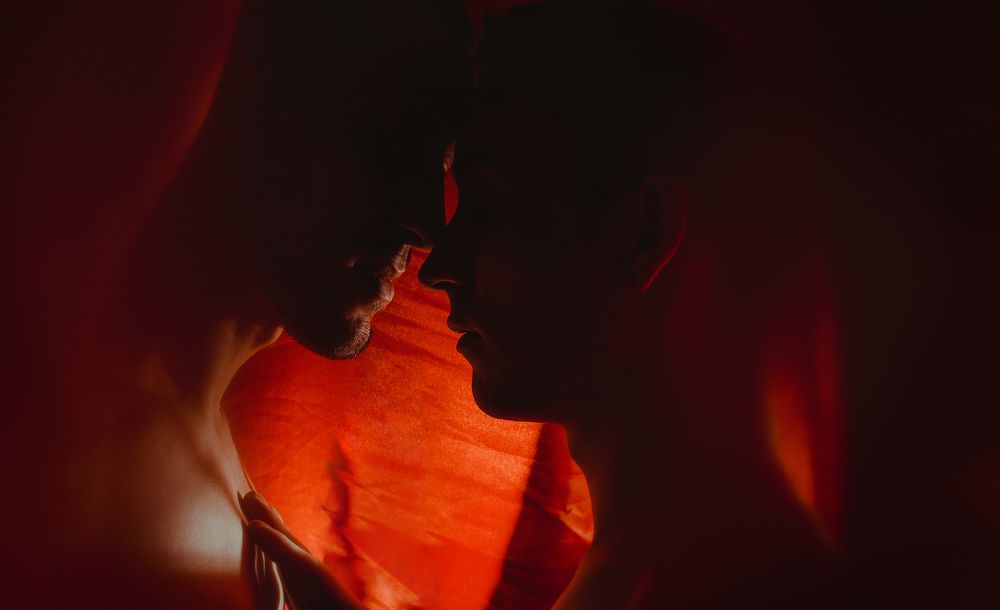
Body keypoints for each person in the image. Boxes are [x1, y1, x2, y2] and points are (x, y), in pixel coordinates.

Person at [248, 2, 852, 608]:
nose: (437, 266)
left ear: (645, 234)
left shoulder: (719, 585)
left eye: (489, 201)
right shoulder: (683, 568)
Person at [29, 1, 470, 609]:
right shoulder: (59, 457)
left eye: (439, 168)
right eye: (389, 148)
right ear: (262, 100)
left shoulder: (192, 446)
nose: (426, 225)